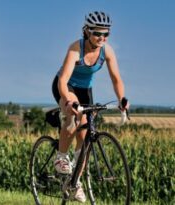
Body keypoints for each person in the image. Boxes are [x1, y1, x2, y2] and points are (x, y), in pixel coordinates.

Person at [51, 11, 129, 202]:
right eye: (97, 33)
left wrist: (122, 100)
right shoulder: (76, 49)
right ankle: (61, 156)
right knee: (73, 117)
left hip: (85, 90)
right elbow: (63, 80)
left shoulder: (107, 51)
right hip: (66, 86)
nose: (102, 38)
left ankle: (74, 183)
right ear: (86, 31)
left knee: (85, 135)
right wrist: (69, 101)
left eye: (106, 34)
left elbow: (116, 78)